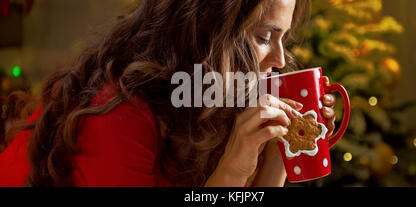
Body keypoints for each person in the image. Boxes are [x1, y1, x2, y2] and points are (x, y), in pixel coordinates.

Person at [0, 0, 337, 187]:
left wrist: (279, 156)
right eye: (264, 37)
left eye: (283, 38)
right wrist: (233, 169)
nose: (279, 61)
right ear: (209, 34)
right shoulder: (120, 115)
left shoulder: (214, 101)